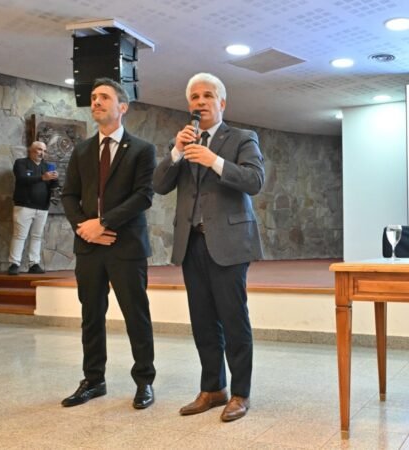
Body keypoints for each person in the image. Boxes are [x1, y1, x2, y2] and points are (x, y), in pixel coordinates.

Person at [153, 73, 265, 422]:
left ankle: (241, 393)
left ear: (222, 103)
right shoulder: (184, 145)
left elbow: (254, 181)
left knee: (233, 320)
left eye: (208, 96)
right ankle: (213, 388)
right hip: (192, 244)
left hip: (229, 244)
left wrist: (213, 161)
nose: (200, 102)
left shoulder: (243, 138)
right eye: (195, 97)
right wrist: (176, 151)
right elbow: (159, 185)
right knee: (202, 321)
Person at [60, 78, 157, 410]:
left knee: (136, 316)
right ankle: (93, 380)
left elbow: (144, 196)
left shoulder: (142, 149)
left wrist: (103, 223)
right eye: (93, 97)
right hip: (88, 247)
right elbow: (69, 195)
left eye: (104, 97)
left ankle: (144, 381)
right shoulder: (82, 150)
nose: (96, 102)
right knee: (91, 316)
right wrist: (84, 228)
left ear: (122, 107)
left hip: (125, 245)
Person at [7, 141, 59, 275]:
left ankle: (34, 263)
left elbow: (54, 184)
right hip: (24, 206)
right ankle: (14, 264)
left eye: (44, 151)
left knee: (37, 236)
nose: (42, 153)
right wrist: (42, 177)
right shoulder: (21, 163)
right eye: (39, 150)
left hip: (42, 207)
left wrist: (55, 180)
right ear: (31, 150)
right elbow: (22, 179)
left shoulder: (47, 166)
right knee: (19, 235)